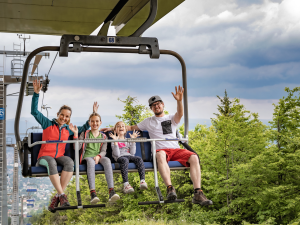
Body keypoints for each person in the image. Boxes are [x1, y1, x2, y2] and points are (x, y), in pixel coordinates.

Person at [102, 85, 213, 206]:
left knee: (194, 157)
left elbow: (180, 114)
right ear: (151, 108)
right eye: (154, 105)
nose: (157, 106)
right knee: (160, 155)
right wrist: (112, 128)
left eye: (158, 104)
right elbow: (130, 128)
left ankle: (198, 193)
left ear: (163, 104)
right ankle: (170, 188)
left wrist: (179, 101)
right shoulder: (148, 121)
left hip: (175, 149)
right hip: (161, 151)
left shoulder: (171, 118)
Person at [31, 79, 96, 212]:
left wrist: (93, 114)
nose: (64, 118)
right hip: (44, 157)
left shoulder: (68, 129)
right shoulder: (47, 123)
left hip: (59, 156)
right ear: (58, 115)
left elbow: (84, 127)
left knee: (69, 162)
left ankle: (58, 196)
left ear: (69, 118)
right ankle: (62, 195)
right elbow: (34, 112)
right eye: (62, 115)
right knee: (51, 162)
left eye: (67, 116)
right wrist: (36, 94)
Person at [70, 113, 120, 204]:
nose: (94, 123)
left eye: (97, 121)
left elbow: (104, 151)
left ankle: (111, 191)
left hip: (98, 157)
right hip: (87, 158)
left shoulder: (103, 136)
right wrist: (76, 135)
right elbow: (76, 148)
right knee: (91, 161)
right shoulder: (84, 134)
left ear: (100, 123)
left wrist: (98, 156)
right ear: (89, 123)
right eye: (92, 121)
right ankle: (93, 193)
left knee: (107, 160)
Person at [109, 121, 148, 194]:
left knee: (139, 159)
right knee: (125, 160)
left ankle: (142, 181)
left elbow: (132, 153)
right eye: (118, 126)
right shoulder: (114, 141)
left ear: (125, 130)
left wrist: (133, 140)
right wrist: (115, 142)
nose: (121, 127)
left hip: (129, 156)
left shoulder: (128, 140)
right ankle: (126, 184)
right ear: (115, 130)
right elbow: (117, 154)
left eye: (123, 126)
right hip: (120, 157)